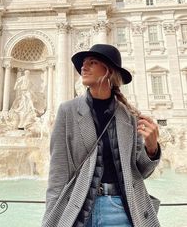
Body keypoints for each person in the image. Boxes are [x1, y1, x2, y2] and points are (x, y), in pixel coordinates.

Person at [42, 44, 161, 227]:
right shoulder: (68, 111)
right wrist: (52, 219)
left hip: (121, 209)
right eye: (83, 63)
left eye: (92, 62)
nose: (84, 67)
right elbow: (58, 173)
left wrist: (151, 149)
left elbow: (140, 172)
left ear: (108, 71)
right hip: (79, 209)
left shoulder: (129, 116)